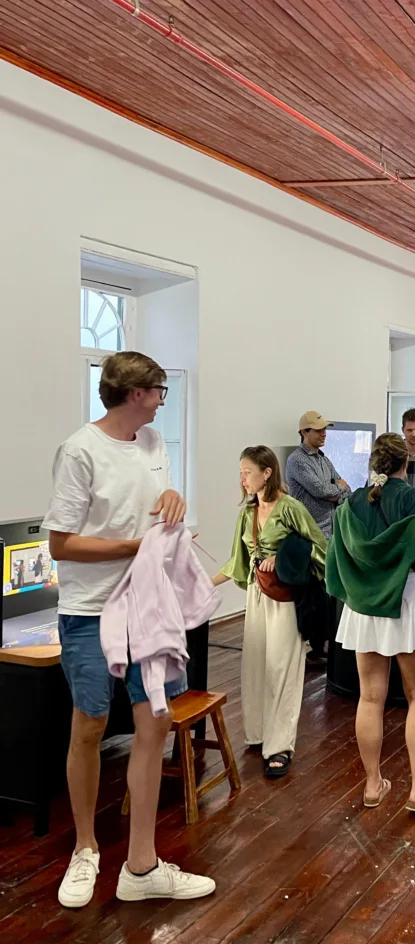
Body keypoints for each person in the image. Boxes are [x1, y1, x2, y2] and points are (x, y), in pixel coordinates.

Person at [44, 350, 215, 909]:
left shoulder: (154, 443)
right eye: (160, 391)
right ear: (138, 393)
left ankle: (141, 865)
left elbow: (158, 502)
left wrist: (173, 497)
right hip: (91, 610)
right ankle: (85, 850)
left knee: (154, 723)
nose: (163, 401)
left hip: (147, 605)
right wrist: (134, 548)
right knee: (90, 725)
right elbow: (60, 543)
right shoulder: (80, 451)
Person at [326, 434, 415, 813]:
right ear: (406, 463)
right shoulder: (413, 497)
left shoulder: (351, 502)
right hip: (404, 600)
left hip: (364, 604)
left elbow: (337, 555)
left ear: (373, 464)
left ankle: (372, 785)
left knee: (369, 697)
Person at [212, 446, 327, 778]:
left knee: (282, 668)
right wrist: (205, 584)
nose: (242, 479)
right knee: (255, 665)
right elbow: (237, 562)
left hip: (285, 598)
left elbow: (320, 547)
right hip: (256, 594)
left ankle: (280, 746)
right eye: (240, 472)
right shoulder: (246, 514)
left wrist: (284, 557)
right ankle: (258, 733)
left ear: (267, 473)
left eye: (247, 472)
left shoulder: (291, 509)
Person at [286, 411, 350, 540]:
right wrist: (339, 488)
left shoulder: (323, 460)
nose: (324, 433)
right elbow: (321, 491)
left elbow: (347, 489)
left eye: (324, 429)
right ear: (304, 432)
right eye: (318, 430)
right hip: (310, 535)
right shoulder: (297, 460)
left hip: (330, 533)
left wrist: (335, 495)